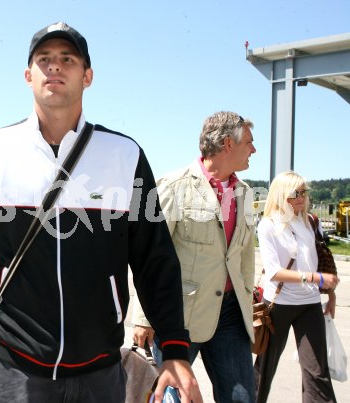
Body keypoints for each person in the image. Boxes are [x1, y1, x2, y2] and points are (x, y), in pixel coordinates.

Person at [0, 22, 202, 403]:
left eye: (68, 59)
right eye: (44, 60)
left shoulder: (124, 155)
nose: (55, 67)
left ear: (88, 76)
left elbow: (154, 258)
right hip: (14, 367)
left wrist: (175, 348)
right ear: (28, 75)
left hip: (99, 370)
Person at [133, 111, 257, 402]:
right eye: (249, 142)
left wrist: (249, 298)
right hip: (180, 316)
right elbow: (149, 255)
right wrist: (143, 317)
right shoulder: (172, 186)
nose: (254, 149)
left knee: (242, 398)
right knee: (172, 398)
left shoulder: (246, 194)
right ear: (228, 143)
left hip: (230, 316)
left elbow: (244, 257)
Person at [254, 171, 339, 402]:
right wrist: (315, 279)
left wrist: (330, 295)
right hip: (278, 305)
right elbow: (273, 272)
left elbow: (320, 261)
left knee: (317, 373)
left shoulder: (310, 221)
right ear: (281, 195)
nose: (301, 197)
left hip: (310, 304)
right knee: (263, 372)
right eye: (295, 193)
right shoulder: (268, 225)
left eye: (304, 192)